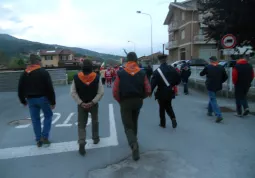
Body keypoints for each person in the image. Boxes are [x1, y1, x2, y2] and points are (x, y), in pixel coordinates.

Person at [113, 52, 151, 161]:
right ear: (136, 60)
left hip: (125, 101)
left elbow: (115, 90)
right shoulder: (142, 73)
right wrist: (141, 97)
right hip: (138, 100)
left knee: (127, 124)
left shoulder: (121, 73)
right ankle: (134, 138)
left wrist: (120, 100)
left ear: (127, 60)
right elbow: (148, 89)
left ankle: (133, 144)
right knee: (134, 120)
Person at [18, 54, 56, 147]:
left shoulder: (24, 73)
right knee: (48, 115)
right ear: (38, 61)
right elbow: (49, 88)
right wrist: (52, 101)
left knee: (35, 120)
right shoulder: (43, 72)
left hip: (30, 100)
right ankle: (45, 137)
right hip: (43, 99)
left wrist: (23, 100)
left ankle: (38, 139)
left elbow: (20, 88)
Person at [70, 59, 104, 156]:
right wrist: (93, 102)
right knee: (95, 121)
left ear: (82, 67)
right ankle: (95, 138)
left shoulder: (76, 77)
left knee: (81, 124)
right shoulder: (96, 77)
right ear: (91, 67)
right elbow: (101, 92)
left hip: (82, 105)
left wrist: (80, 103)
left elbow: (73, 92)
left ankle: (81, 142)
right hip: (93, 104)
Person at [151, 55, 181, 129]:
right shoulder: (172, 69)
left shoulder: (157, 71)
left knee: (162, 108)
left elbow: (153, 83)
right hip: (170, 90)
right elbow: (178, 79)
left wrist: (149, 92)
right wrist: (173, 84)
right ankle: (173, 118)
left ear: (160, 61)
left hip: (161, 91)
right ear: (166, 60)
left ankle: (162, 123)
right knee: (168, 105)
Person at [200, 56, 228, 123]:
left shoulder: (208, 67)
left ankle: (219, 115)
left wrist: (206, 71)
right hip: (218, 86)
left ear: (211, 61)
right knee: (212, 98)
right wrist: (220, 81)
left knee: (213, 99)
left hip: (210, 85)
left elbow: (201, 74)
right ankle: (209, 111)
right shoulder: (221, 67)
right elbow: (226, 77)